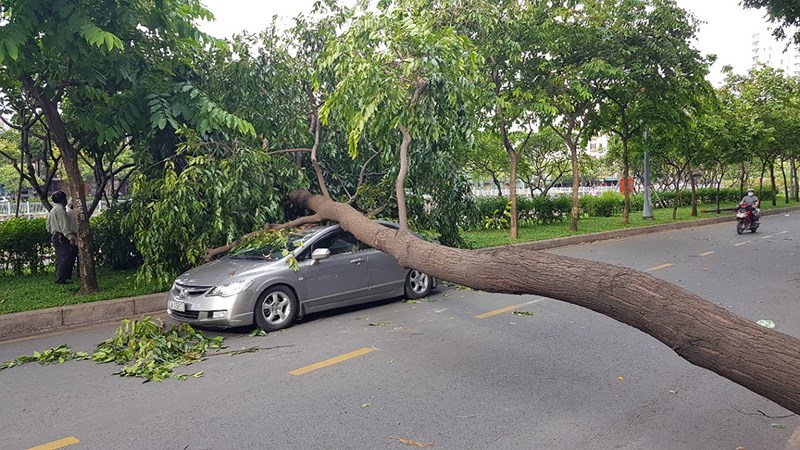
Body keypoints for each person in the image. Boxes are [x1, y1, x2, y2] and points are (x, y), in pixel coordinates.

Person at [46, 191, 78, 284]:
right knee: (64, 257)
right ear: (62, 199)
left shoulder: (54, 209)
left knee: (60, 257)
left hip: (56, 235)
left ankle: (62, 276)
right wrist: (70, 236)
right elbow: (64, 225)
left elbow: (48, 225)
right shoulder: (60, 210)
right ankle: (61, 279)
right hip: (61, 236)